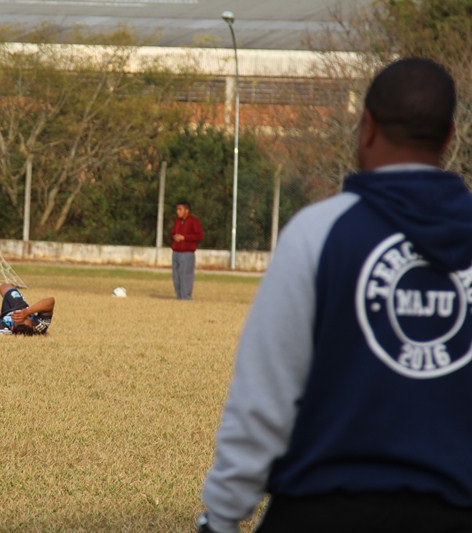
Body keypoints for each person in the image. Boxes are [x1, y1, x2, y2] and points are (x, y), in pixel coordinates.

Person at [196, 57, 472, 533]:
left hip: (321, 508)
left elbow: (263, 400)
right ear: (449, 137)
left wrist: (221, 516)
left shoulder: (317, 233)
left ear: (366, 127)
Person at [170, 200, 203, 300]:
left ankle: (186, 297)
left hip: (187, 253)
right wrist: (174, 237)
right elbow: (172, 233)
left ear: (187, 210)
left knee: (186, 276)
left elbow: (199, 235)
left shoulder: (194, 221)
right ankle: (179, 296)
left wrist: (185, 238)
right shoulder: (177, 221)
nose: (177, 211)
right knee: (176, 276)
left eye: (180, 209)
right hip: (176, 252)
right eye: (177, 209)